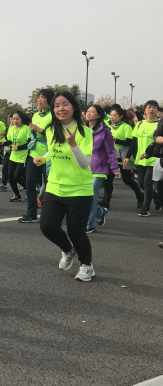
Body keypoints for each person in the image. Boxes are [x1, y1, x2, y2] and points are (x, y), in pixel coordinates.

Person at [33, 91, 94, 282]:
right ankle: (68, 250)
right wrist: (44, 158)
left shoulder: (85, 132)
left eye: (65, 104)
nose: (61, 108)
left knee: (76, 232)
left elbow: (84, 164)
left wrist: (73, 144)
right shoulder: (52, 129)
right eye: (57, 105)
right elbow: (53, 150)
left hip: (79, 190)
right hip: (55, 187)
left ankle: (87, 265)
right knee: (47, 226)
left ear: (73, 107)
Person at [19, 90, 53, 223]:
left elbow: (55, 135)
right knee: (29, 183)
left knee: (50, 185)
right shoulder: (36, 115)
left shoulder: (53, 115)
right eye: (38, 97)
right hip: (33, 152)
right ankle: (31, 213)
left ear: (49, 100)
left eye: (43, 97)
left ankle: (52, 213)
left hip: (48, 154)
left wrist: (39, 130)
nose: (39, 99)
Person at [85, 105, 120, 233]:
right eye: (87, 111)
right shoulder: (81, 129)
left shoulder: (105, 131)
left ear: (99, 115)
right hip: (84, 167)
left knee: (92, 197)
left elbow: (111, 150)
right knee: (86, 196)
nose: (88, 113)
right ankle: (100, 212)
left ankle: (90, 225)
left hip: (99, 168)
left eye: (92, 112)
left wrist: (115, 168)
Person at [125, 100, 160, 217]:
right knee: (141, 183)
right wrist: (127, 156)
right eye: (149, 107)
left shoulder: (160, 125)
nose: (151, 109)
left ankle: (146, 208)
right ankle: (158, 198)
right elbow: (134, 142)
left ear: (157, 111)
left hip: (154, 159)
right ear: (144, 110)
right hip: (140, 158)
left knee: (147, 182)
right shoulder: (139, 124)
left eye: (154, 107)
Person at [106, 106, 143, 208]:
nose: (112, 117)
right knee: (109, 179)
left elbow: (129, 142)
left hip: (123, 156)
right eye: (111, 115)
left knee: (127, 180)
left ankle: (140, 195)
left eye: (114, 115)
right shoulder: (108, 127)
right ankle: (106, 201)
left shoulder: (126, 127)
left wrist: (116, 140)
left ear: (121, 116)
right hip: (112, 156)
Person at [6, 110, 31, 202]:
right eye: (14, 119)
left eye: (17, 119)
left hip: (23, 156)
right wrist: (2, 143)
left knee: (16, 176)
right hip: (13, 156)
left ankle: (29, 190)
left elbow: (30, 143)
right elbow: (9, 141)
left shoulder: (26, 128)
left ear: (22, 119)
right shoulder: (11, 128)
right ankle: (17, 195)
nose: (15, 121)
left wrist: (19, 147)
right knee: (10, 176)